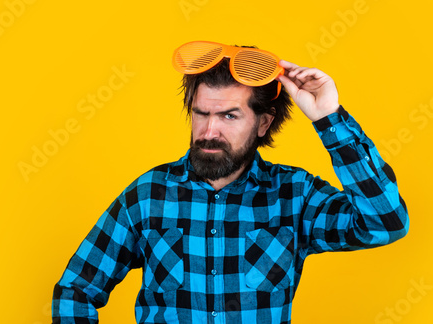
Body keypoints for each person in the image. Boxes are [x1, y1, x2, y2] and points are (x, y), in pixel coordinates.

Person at [52, 41, 409, 324]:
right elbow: (76, 290)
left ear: (263, 124)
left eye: (229, 116)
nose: (209, 131)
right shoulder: (148, 195)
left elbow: (385, 223)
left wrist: (329, 119)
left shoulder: (294, 196)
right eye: (201, 114)